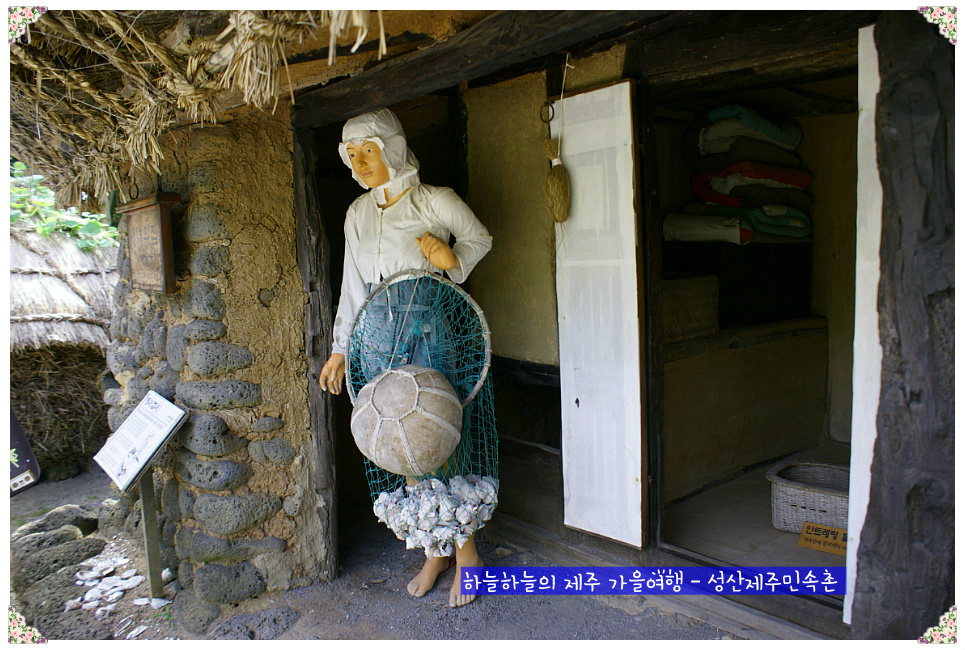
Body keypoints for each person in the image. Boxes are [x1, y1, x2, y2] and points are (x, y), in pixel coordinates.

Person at [318, 108, 494, 607]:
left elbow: (480, 237)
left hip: (428, 331)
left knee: (438, 435)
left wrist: (452, 261)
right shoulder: (356, 213)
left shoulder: (434, 200)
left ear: (392, 149)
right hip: (377, 336)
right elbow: (352, 286)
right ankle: (435, 547)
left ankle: (467, 554)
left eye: (369, 151)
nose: (360, 162)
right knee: (400, 442)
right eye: (352, 155)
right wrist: (341, 348)